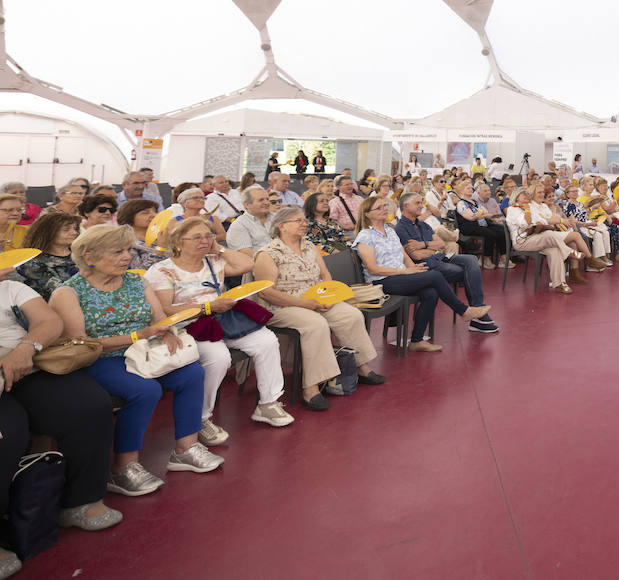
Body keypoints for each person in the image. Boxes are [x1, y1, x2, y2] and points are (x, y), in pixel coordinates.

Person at [50, 224, 223, 495]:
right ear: (89, 257)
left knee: (192, 373)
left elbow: (157, 318)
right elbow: (81, 344)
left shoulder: (136, 280)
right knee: (145, 390)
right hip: (101, 358)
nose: (126, 257)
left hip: (144, 352)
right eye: (117, 251)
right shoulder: (69, 293)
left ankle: (186, 449)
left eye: (128, 250)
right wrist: (137, 336)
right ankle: (122, 468)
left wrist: (165, 332)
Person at [0, 273, 122, 551]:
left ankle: (81, 500)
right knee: (7, 433)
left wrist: (25, 348)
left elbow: (49, 321)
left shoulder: (10, 288)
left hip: (28, 365)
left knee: (89, 405)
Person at [145, 218, 293, 438]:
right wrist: (207, 306)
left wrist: (218, 247)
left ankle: (268, 403)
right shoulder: (162, 270)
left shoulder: (213, 260)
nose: (204, 241)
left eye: (208, 235)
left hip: (221, 319)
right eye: (197, 237)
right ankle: (201, 418)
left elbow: (247, 264)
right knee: (219, 357)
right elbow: (167, 309)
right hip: (188, 325)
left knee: (267, 341)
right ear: (178, 242)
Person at [252, 208, 385, 412]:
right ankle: (311, 387)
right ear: (282, 226)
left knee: (351, 315)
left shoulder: (309, 246)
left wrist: (328, 296)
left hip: (316, 300)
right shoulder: (268, 253)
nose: (304, 224)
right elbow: (266, 293)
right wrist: (306, 304)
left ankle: (361, 367)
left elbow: (325, 275)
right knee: (316, 324)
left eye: (305, 220)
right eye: (298, 221)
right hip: (282, 305)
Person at [352, 197, 492, 352]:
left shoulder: (389, 231)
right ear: (367, 214)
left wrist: (415, 269)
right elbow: (373, 269)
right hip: (383, 280)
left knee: (431, 293)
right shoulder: (365, 236)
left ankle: (417, 340)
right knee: (435, 276)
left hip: (401, 276)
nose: (384, 209)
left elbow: (404, 255)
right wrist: (405, 271)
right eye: (379, 208)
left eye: (384, 206)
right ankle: (464, 311)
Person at [394, 193, 498, 333]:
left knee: (471, 260)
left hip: (440, 257)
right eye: (417, 203)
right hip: (427, 265)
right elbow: (416, 255)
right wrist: (431, 247)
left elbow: (441, 244)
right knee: (468, 272)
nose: (422, 206)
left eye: (421, 202)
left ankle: (478, 310)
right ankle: (478, 317)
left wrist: (423, 244)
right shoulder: (400, 228)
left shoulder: (423, 225)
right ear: (406, 206)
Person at [506, 188, 574, 293]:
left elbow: (543, 221)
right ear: (516, 196)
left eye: (527, 193)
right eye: (523, 193)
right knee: (548, 234)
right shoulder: (512, 209)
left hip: (537, 238)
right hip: (522, 241)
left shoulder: (531, 208)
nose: (526, 195)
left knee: (554, 249)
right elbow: (526, 223)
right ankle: (569, 252)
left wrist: (535, 221)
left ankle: (559, 284)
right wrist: (530, 215)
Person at [15, 211, 81, 298]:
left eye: (75, 229)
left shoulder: (83, 255)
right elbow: (60, 291)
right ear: (48, 233)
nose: (74, 233)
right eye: (66, 229)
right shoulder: (31, 263)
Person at [451, 181, 502, 269]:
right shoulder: (461, 203)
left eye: (471, 188)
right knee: (490, 233)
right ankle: (484, 259)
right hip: (468, 226)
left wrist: (481, 215)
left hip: (480, 224)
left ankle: (503, 257)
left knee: (500, 229)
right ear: (462, 191)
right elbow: (470, 217)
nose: (471, 189)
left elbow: (486, 213)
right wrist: (481, 215)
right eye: (468, 188)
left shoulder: (475, 202)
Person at [116, 198, 170, 274]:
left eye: (155, 212)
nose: (154, 215)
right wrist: (160, 248)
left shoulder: (162, 236)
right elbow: (138, 272)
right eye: (145, 213)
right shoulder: (127, 243)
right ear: (130, 217)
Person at [226, 185, 272, 254]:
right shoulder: (239, 225)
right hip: (260, 263)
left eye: (267, 199)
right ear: (247, 205)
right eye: (261, 200)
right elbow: (247, 255)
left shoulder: (278, 218)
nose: (267, 203)